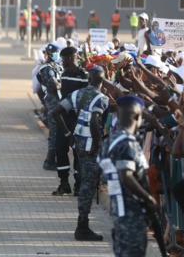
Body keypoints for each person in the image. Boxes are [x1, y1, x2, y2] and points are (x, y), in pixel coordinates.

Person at [98, 95, 156, 257]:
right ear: (137, 117)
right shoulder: (127, 143)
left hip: (119, 208)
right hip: (131, 212)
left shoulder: (110, 141)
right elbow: (126, 176)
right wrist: (149, 198)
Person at [55, 65, 109, 241]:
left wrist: (67, 134)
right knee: (88, 183)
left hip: (78, 140)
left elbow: (57, 112)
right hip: (90, 144)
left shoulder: (77, 94)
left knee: (86, 179)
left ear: (89, 78)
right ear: (103, 79)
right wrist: (96, 143)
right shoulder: (102, 99)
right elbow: (95, 120)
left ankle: (83, 223)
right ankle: (82, 226)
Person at [51, 46, 88, 196]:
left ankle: (78, 184)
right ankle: (64, 183)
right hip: (64, 116)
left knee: (78, 151)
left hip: (78, 117)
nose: (62, 62)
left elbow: (85, 97)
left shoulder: (83, 75)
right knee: (60, 149)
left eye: (64, 59)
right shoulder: (65, 74)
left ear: (71, 58)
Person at [38, 43, 63, 171]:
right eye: (55, 52)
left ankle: (52, 159)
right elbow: (54, 85)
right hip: (53, 103)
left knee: (58, 132)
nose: (56, 54)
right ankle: (50, 160)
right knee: (54, 132)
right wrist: (65, 83)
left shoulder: (57, 66)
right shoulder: (46, 68)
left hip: (59, 103)